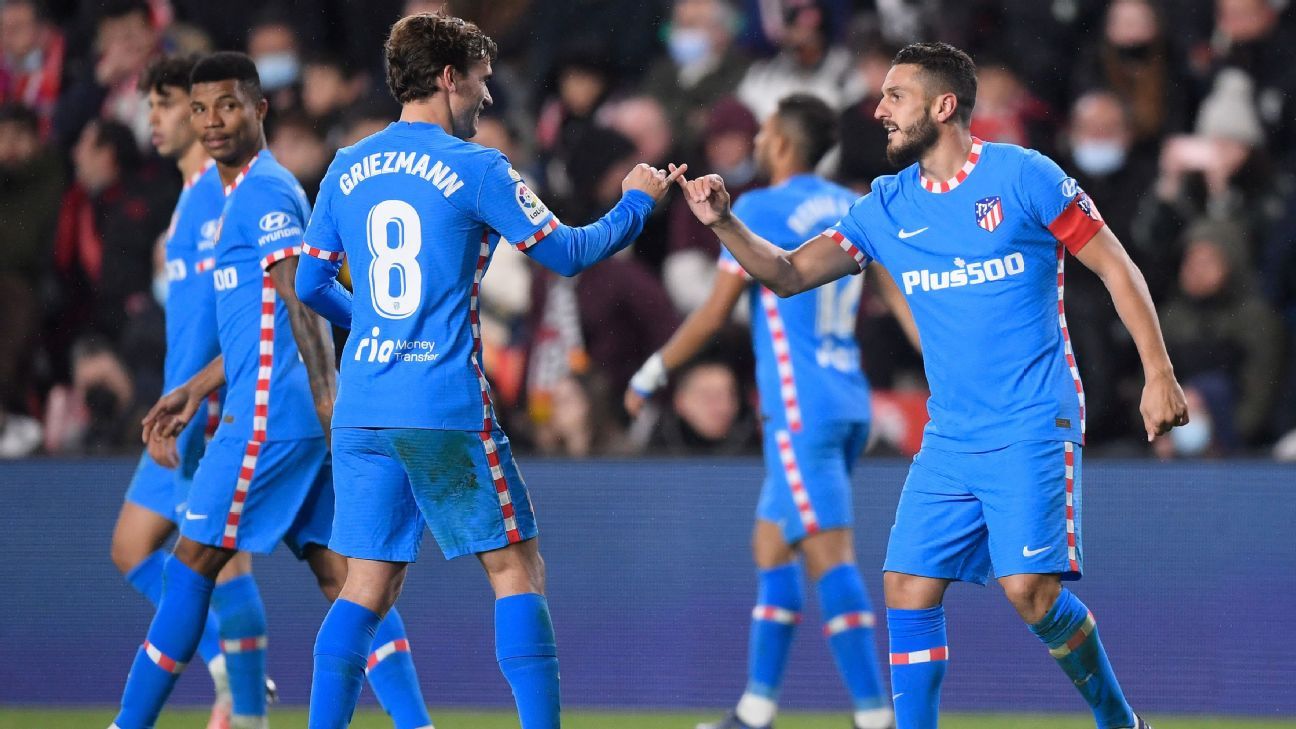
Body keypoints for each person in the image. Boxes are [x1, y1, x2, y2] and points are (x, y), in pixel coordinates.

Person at [675, 41, 1188, 729]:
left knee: (1030, 592)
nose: (879, 110)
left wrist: (1159, 372)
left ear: (944, 106)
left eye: (896, 96)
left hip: (1032, 420)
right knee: (907, 585)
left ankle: (1120, 722)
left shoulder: (1024, 176)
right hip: (950, 436)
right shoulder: (886, 205)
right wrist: (724, 222)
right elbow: (789, 273)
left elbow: (1116, 266)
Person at [293, 14, 684, 729]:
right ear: (449, 77)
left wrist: (378, 326)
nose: (488, 94)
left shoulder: (346, 164)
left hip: (364, 407)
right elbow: (569, 253)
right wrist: (636, 202)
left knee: (364, 588)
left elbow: (310, 285)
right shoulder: (478, 168)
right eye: (481, 78)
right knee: (516, 570)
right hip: (441, 407)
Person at [110, 52, 432, 729]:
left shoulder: (263, 190)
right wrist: (198, 386)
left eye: (227, 105)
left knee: (189, 567)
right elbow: (259, 323)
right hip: (285, 414)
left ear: (258, 109)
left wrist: (327, 395)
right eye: (201, 108)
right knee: (343, 577)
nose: (212, 121)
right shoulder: (242, 193)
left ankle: (133, 723)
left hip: (267, 419)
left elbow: (299, 297)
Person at [628, 94, 913, 729]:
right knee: (772, 543)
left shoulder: (758, 208)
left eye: (763, 134)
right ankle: (755, 711)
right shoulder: (852, 204)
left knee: (829, 552)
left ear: (781, 142)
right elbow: (897, 297)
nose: (756, 143)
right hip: (849, 399)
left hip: (800, 404)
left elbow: (713, 313)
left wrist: (653, 371)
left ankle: (876, 717)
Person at [109, 54, 269, 728]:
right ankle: (230, 675)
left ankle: (244, 700)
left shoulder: (222, 194)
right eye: (154, 105)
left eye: (168, 103)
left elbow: (235, 309)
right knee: (136, 547)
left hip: (209, 407)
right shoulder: (189, 198)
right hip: (183, 402)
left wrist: (208, 395)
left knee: (221, 564)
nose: (157, 118)